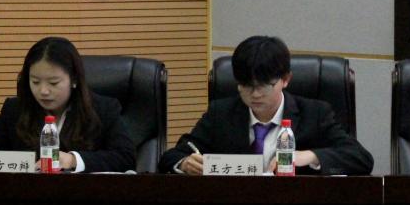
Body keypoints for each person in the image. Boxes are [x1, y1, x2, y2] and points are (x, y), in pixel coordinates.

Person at [159, 35, 374, 175]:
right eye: (246, 86)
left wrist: (309, 156)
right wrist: (185, 163)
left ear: (285, 79)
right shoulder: (221, 113)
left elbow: (361, 158)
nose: (255, 94)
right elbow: (171, 157)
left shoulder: (315, 114)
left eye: (263, 86)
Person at [0, 36, 136, 173]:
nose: (43, 91)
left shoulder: (103, 109)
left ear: (74, 79)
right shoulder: (15, 110)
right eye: (35, 82)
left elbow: (126, 157)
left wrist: (72, 160)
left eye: (53, 83)